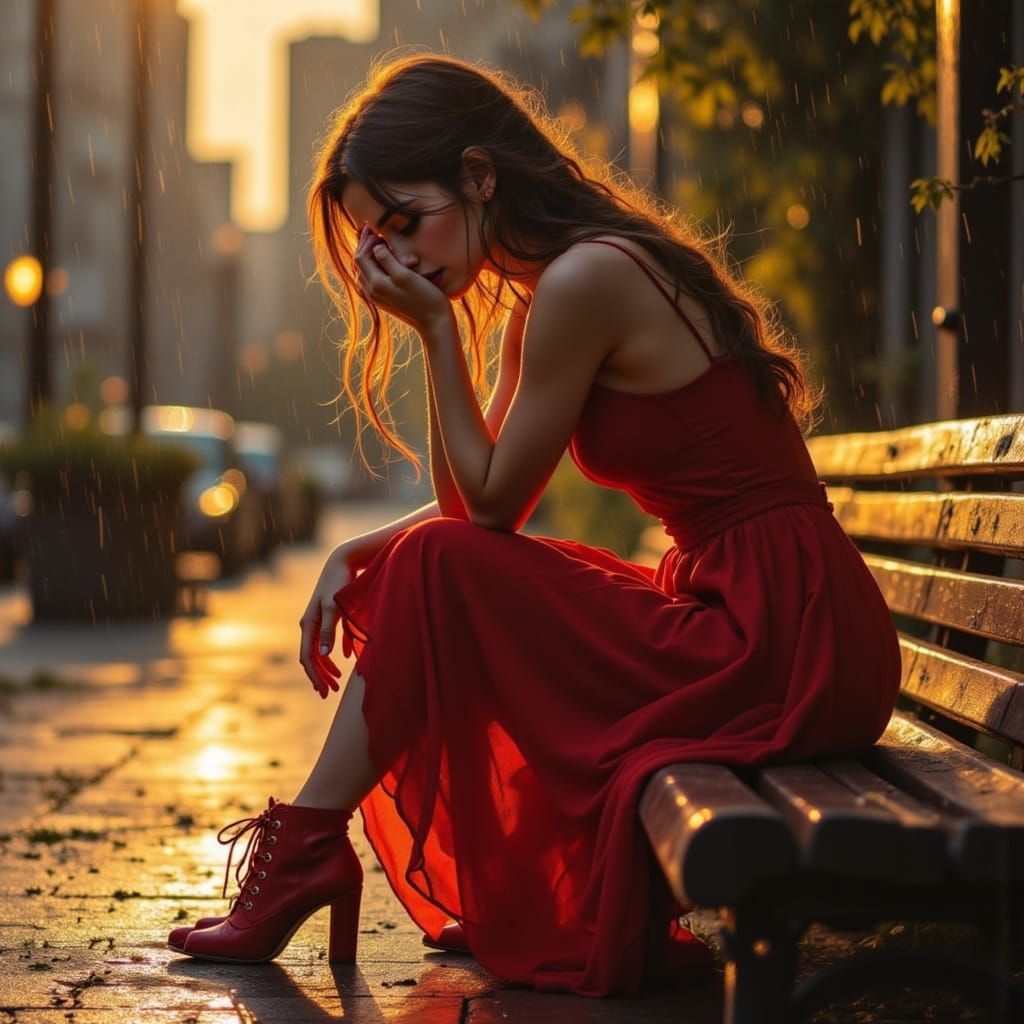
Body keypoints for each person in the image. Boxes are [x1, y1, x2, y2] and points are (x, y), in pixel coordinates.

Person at [168, 53, 901, 995]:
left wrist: (435, 335)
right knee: (433, 563)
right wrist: (361, 551)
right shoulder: (556, 290)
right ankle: (311, 848)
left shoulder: (585, 282)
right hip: (771, 613)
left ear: (480, 175)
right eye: (375, 239)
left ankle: (309, 847)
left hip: (784, 635)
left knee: (440, 563)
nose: (400, 256)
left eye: (405, 222)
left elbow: (485, 512)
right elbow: (488, 500)